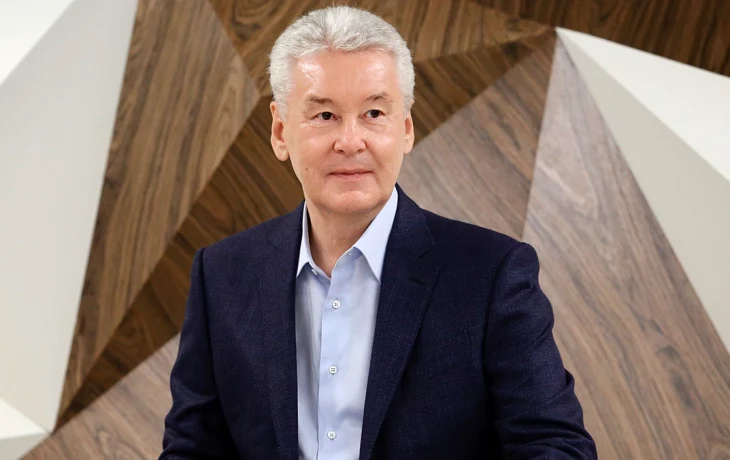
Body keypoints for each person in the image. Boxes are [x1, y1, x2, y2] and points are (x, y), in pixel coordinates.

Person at [160, 6, 597, 460]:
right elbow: (191, 450)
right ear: (280, 131)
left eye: (373, 113)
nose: (351, 141)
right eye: (324, 115)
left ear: (405, 129)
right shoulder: (221, 274)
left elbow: (557, 446)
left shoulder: (492, 274)